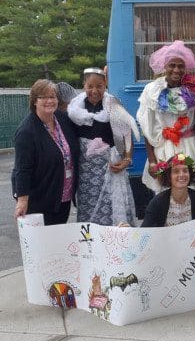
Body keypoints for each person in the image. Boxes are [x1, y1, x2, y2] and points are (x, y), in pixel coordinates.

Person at [67, 68, 139, 226]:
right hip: (85, 173)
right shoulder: (74, 109)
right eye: (90, 86)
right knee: (88, 210)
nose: (94, 91)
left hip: (110, 168)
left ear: (105, 84)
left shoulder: (113, 104)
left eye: (99, 86)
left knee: (112, 209)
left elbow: (127, 134)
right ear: (84, 85)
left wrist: (127, 159)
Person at [136, 40, 195, 193]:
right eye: (172, 65)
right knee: (164, 192)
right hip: (163, 147)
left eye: (180, 66)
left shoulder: (192, 89)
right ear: (164, 66)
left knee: (190, 190)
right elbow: (147, 128)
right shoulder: (152, 90)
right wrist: (152, 161)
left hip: (189, 146)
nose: (176, 70)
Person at [12, 79, 80, 225]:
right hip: (41, 200)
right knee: (43, 244)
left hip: (63, 197)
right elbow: (22, 169)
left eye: (53, 97)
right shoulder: (27, 132)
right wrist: (22, 200)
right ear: (35, 101)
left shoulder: (63, 119)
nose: (49, 101)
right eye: (44, 97)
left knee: (58, 240)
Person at [141, 154, 195, 227]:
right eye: (176, 171)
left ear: (190, 174)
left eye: (185, 171)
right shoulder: (157, 203)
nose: (181, 175)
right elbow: (145, 230)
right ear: (169, 177)